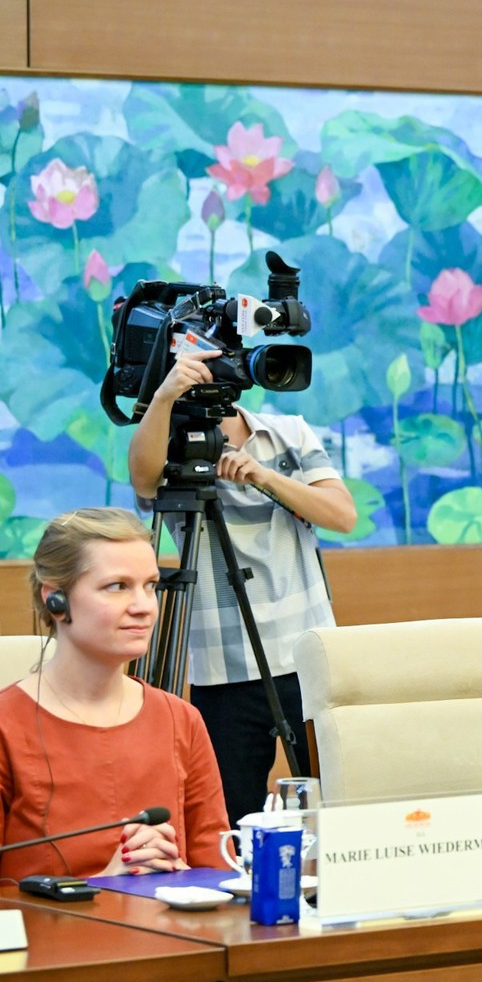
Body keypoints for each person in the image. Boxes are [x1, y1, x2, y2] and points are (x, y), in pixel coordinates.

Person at [127, 349, 356, 824]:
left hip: (308, 654)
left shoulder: (288, 431)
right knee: (227, 814)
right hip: (223, 666)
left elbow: (342, 514)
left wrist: (265, 477)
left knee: (335, 805)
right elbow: (144, 480)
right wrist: (165, 395)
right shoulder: (168, 439)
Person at [0, 508, 229, 884]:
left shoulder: (181, 718)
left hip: (175, 940)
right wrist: (104, 885)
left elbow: (218, 874)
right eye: (117, 586)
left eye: (150, 585)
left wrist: (183, 879)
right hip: (49, 941)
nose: (143, 607)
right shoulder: (7, 725)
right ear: (57, 599)